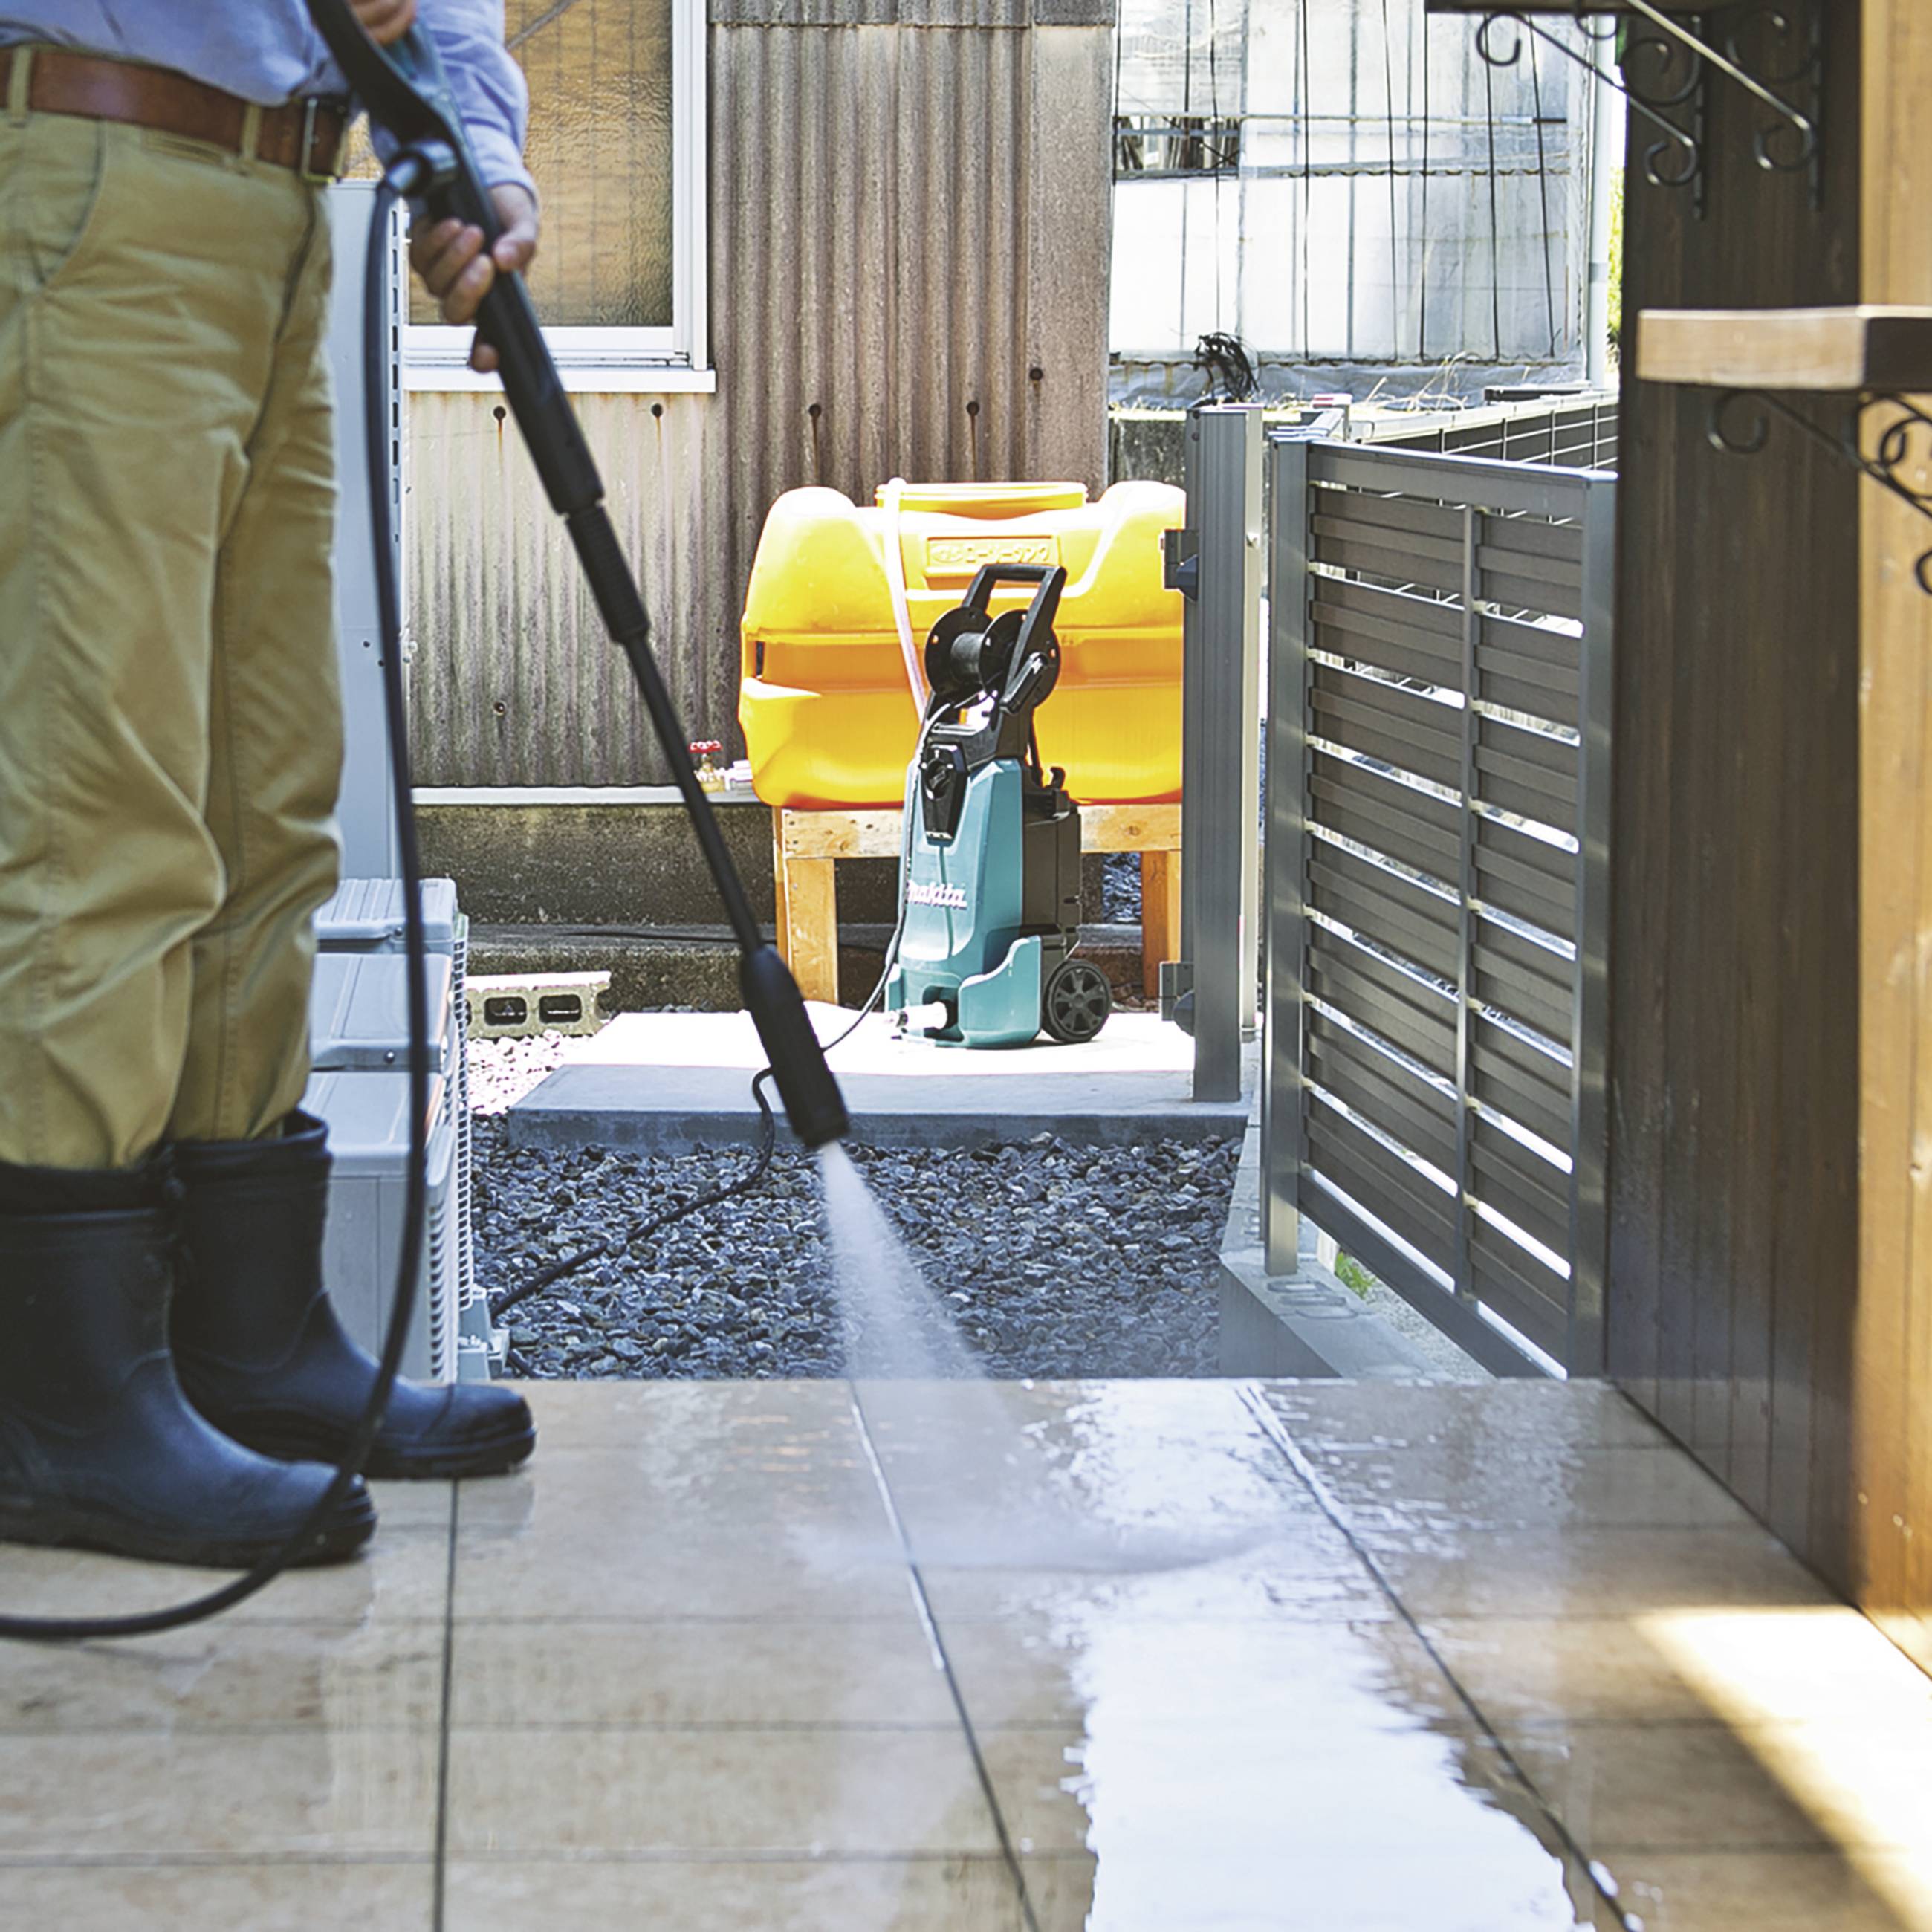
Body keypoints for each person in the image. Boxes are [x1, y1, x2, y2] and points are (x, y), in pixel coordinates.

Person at [0, 1, 539, 1571]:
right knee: (102, 800)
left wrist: (473, 151)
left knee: (268, 802)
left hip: (292, 207)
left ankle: (245, 1343)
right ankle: (64, 1403)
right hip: (91, 164)